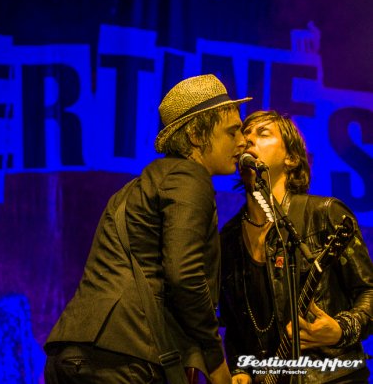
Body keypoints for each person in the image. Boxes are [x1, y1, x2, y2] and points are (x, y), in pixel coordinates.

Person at [44, 74, 250, 383]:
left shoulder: (138, 187)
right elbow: (185, 275)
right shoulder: (188, 178)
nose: (243, 141)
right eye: (232, 132)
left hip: (74, 353)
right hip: (122, 359)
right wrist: (216, 362)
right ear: (196, 134)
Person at [219, 110, 373, 383]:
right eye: (245, 134)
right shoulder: (228, 238)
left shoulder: (325, 214)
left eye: (262, 134)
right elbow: (235, 324)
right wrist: (241, 370)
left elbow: (368, 291)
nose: (248, 140)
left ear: (290, 159)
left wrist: (340, 330)